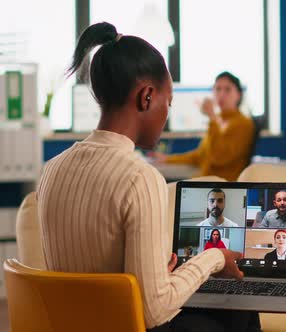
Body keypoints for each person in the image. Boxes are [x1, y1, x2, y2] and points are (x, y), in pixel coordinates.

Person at [36, 22, 260, 331]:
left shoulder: (52, 169)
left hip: (69, 323)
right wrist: (216, 258)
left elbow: (97, 269)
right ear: (146, 97)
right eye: (168, 102)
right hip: (124, 325)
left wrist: (161, 274)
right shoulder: (140, 178)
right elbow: (154, 311)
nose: (167, 115)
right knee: (242, 308)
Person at [152, 72, 255, 181]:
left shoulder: (243, 123)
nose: (221, 94)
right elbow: (200, 156)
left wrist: (212, 117)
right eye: (218, 89)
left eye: (227, 89)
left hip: (223, 185)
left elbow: (218, 157)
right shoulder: (219, 120)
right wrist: (168, 159)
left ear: (239, 94)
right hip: (207, 181)